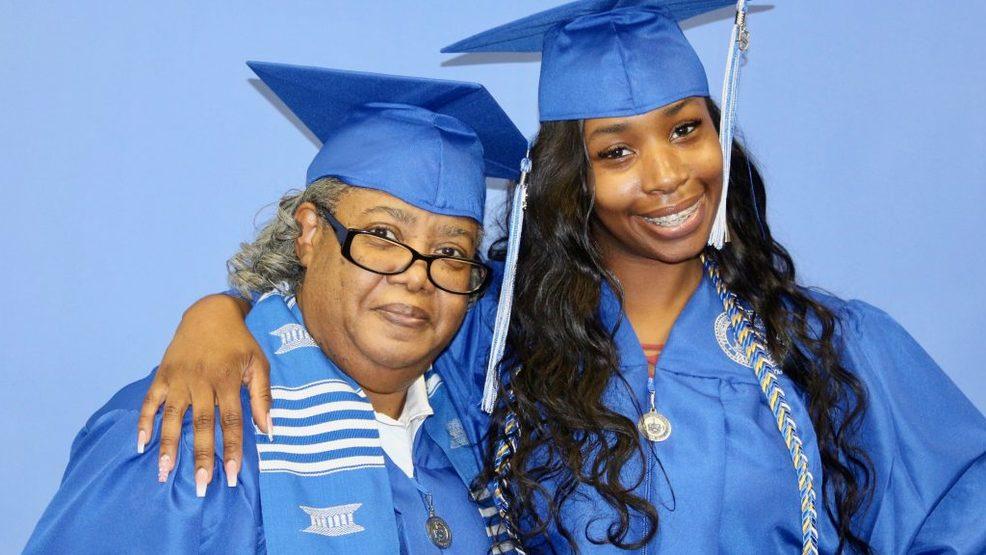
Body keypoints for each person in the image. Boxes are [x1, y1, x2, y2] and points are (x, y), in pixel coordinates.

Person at [129, 1, 986, 553]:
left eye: (686, 130)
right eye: (617, 150)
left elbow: (961, 502)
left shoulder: (827, 343)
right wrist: (220, 313)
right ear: (572, 178)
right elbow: (355, 326)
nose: (666, 176)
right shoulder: (492, 344)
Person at [25, 62, 528, 554]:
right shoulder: (188, 433)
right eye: (381, 235)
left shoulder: (468, 419)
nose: (418, 276)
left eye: (452, 252)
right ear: (308, 233)